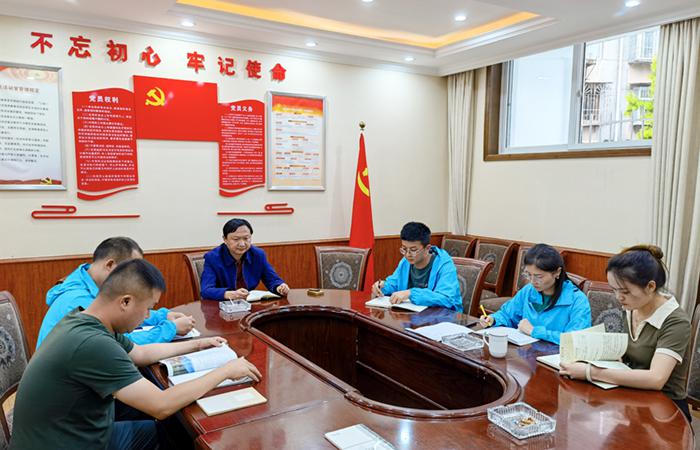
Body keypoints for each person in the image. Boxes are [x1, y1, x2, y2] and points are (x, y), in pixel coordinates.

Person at [10, 259, 261, 450]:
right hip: (68, 443)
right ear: (125, 302)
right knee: (178, 432)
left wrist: (198, 344)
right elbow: (161, 405)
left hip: (75, 430)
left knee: (172, 427)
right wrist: (226, 371)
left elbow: (140, 353)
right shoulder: (93, 343)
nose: (147, 316)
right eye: (148, 308)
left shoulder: (85, 319)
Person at [559, 245, 692, 422]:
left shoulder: (675, 321)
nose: (618, 297)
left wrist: (590, 372)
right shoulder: (632, 307)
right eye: (614, 289)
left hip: (664, 409)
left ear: (650, 286)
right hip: (629, 396)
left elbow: (656, 378)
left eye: (625, 291)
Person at [36, 237, 194, 349]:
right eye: (130, 269)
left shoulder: (84, 278)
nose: (136, 277)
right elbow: (121, 344)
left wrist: (162, 316)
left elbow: (121, 314)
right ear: (110, 265)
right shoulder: (79, 302)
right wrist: (170, 329)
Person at [479, 244, 591, 344]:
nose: (532, 281)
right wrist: (493, 319)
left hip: (555, 358)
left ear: (557, 272)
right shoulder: (529, 290)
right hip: (526, 353)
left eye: (539, 276)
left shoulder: (577, 300)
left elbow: (576, 340)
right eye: (529, 275)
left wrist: (534, 331)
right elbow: (507, 315)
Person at [371, 222, 462, 311]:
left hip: (441, 317)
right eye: (404, 249)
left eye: (413, 250)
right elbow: (394, 283)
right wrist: (382, 287)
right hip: (411, 315)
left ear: (427, 248)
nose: (407, 254)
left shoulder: (445, 265)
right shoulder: (405, 262)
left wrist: (411, 293)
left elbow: (447, 299)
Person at [200, 218, 290, 301]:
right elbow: (206, 290)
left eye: (246, 238)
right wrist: (230, 294)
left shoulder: (258, 254)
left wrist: (280, 286)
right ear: (225, 239)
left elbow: (272, 279)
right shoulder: (212, 257)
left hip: (249, 304)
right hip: (222, 306)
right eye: (236, 239)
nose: (242, 244)